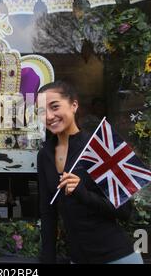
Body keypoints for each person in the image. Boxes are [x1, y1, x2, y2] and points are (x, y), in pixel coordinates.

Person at [36, 80, 142, 264]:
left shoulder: (98, 147)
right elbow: (48, 214)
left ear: (74, 105)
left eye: (54, 107)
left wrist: (82, 193)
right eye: (42, 111)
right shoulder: (44, 154)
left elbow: (125, 211)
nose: (49, 116)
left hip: (117, 257)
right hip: (78, 259)